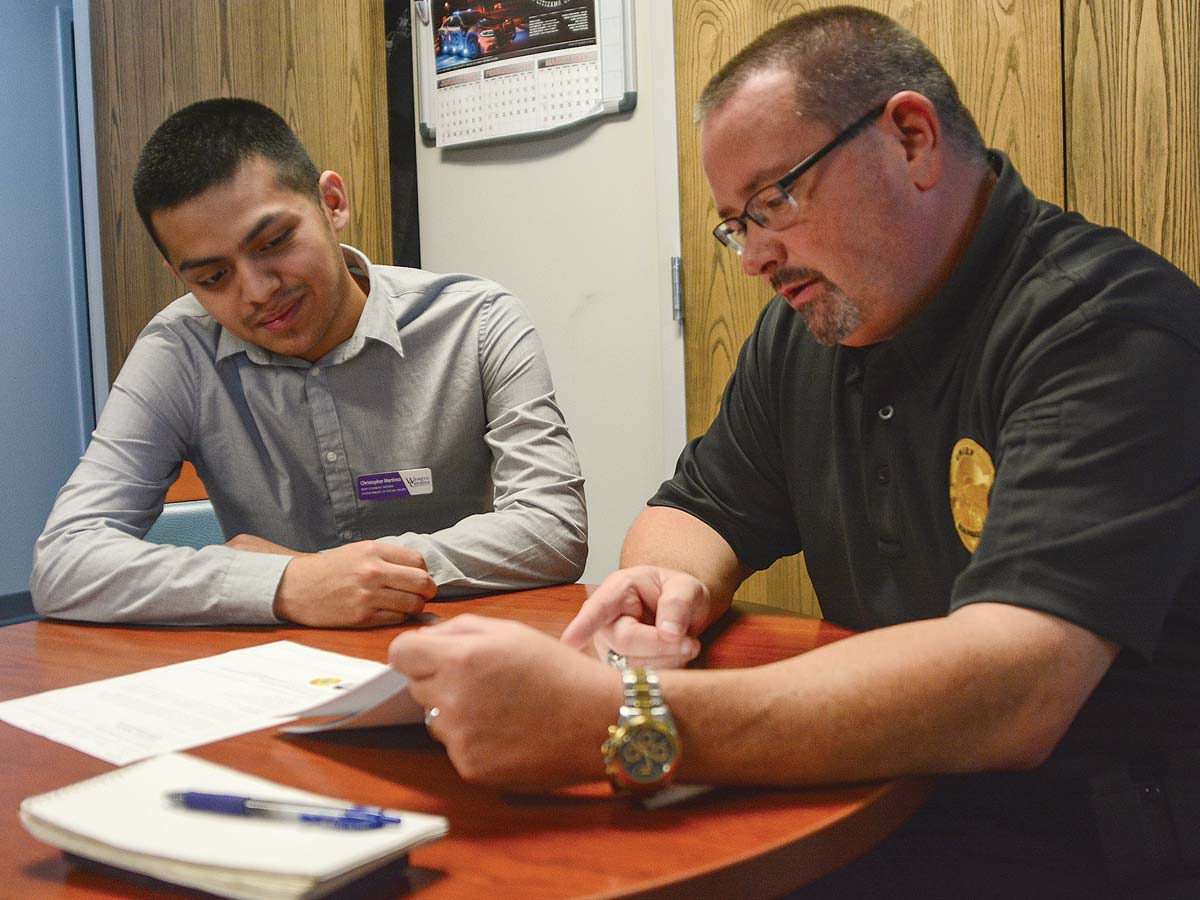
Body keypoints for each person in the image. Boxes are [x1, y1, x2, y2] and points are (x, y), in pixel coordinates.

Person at [387, 7, 1200, 898]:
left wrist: (623, 719)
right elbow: (691, 511)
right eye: (737, 224)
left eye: (774, 202)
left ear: (912, 139)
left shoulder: (1104, 328)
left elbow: (1017, 689)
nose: (753, 258)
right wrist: (669, 589)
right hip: (883, 789)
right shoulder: (813, 327)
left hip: (1086, 838)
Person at [31, 98, 586, 627]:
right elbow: (64, 562)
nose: (256, 292)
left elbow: (552, 528)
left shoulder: (477, 320)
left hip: (463, 647)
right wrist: (289, 583)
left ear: (333, 204)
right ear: (182, 278)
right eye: (213, 277)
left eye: (273, 242)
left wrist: (354, 576)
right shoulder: (179, 351)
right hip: (281, 669)